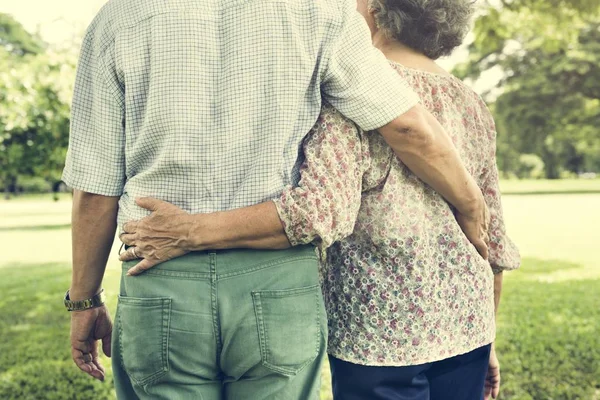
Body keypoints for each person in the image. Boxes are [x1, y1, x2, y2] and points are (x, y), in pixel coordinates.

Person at [64, 0, 491, 398]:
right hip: (277, 286)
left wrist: (84, 299)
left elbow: (94, 188)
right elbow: (409, 128)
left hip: (160, 279)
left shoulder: (118, 19)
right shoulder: (319, 12)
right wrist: (471, 203)